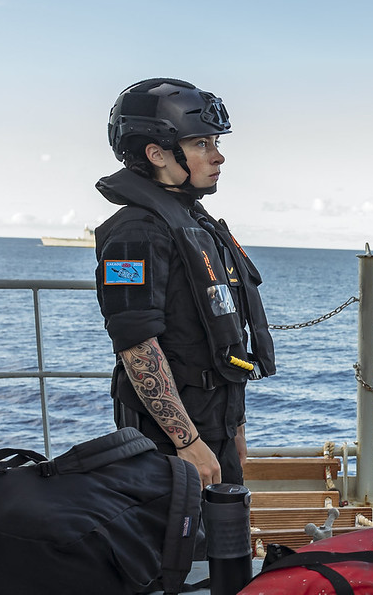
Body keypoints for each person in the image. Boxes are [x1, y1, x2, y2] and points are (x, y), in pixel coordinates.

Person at [95, 78, 275, 488]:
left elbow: (221, 331)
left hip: (214, 423)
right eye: (201, 144)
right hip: (170, 441)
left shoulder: (193, 222)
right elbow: (137, 346)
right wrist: (187, 441)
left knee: (225, 525)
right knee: (179, 530)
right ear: (156, 153)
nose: (218, 156)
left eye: (215, 142)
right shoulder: (135, 235)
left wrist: (235, 425)